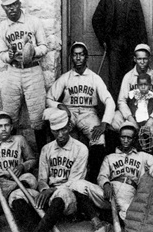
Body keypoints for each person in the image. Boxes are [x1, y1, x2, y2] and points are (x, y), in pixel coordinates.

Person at [14, 108, 110, 232]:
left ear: (69, 128)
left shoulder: (81, 149)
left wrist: (52, 190)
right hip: (49, 193)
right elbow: (42, 178)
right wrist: (44, 189)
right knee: (17, 195)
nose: (60, 135)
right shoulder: (47, 149)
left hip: (69, 197)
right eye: (56, 131)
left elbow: (73, 183)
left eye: (63, 130)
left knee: (62, 194)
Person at [46, 42, 115, 183]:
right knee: (57, 129)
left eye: (81, 54)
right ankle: (59, 175)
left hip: (88, 112)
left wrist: (104, 123)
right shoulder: (66, 77)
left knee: (98, 138)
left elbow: (109, 101)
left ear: (86, 57)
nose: (78, 58)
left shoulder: (94, 78)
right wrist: (60, 106)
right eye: (75, 54)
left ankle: (93, 178)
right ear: (71, 57)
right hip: (69, 111)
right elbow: (49, 98)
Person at [71, 121, 153, 221]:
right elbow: (102, 175)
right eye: (123, 137)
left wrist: (151, 174)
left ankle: (108, 217)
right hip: (109, 193)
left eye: (129, 138)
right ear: (119, 137)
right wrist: (106, 184)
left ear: (134, 139)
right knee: (78, 184)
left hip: (129, 193)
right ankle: (96, 219)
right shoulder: (110, 157)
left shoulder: (142, 156)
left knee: (133, 218)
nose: (125, 140)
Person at [0, 0, 48, 151]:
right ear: (3, 8)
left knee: (38, 116)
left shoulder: (33, 22)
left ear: (19, 4)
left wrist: (32, 51)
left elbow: (44, 47)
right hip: (13, 71)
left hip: (32, 70)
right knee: (10, 115)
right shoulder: (3, 27)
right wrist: (9, 56)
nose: (11, 9)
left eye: (14, 5)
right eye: (7, 7)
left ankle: (42, 157)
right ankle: (11, 155)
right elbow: (2, 54)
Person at [92, 0, 148, 102]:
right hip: (114, 47)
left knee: (131, 78)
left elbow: (141, 25)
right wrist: (104, 40)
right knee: (114, 79)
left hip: (131, 48)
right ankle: (115, 112)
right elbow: (96, 19)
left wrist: (143, 49)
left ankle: (131, 110)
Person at [112, 44, 153, 159]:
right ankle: (123, 153)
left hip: (150, 113)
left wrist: (151, 121)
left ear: (149, 59)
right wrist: (130, 118)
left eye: (145, 58)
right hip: (132, 113)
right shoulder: (128, 76)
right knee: (114, 120)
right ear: (134, 59)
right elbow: (121, 101)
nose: (142, 62)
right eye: (139, 59)